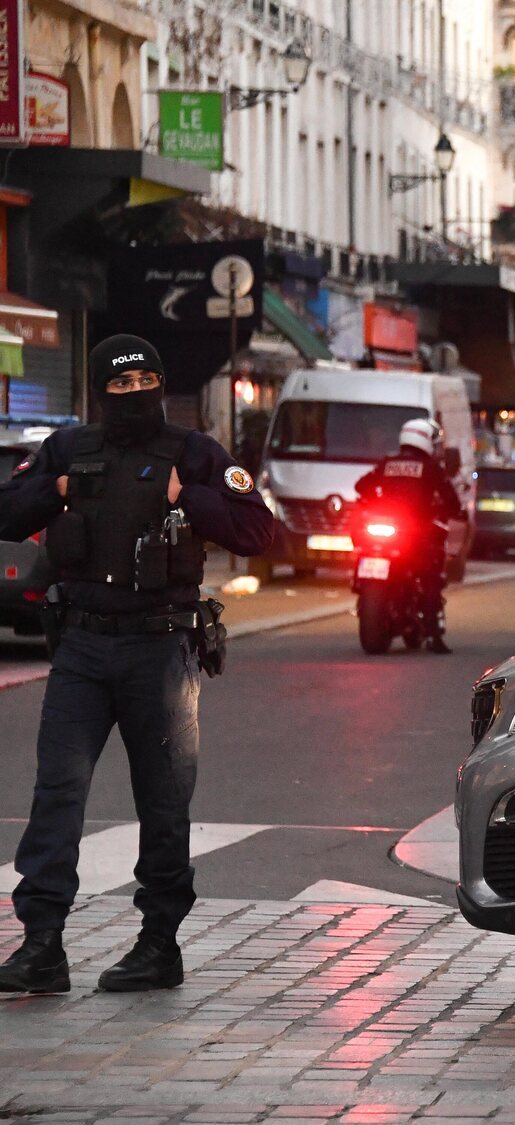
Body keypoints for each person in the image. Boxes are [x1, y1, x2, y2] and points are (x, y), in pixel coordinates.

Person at [0, 333, 275, 995]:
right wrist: (55, 490)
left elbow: (259, 530)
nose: (133, 395)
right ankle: (41, 944)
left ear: (158, 383)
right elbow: (7, 512)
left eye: (144, 381)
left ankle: (159, 943)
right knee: (57, 795)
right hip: (82, 649)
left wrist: (191, 496)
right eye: (119, 386)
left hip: (160, 645)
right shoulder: (70, 449)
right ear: (101, 392)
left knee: (162, 800)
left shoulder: (193, 452)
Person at [354, 417, 461, 654]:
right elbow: (451, 502)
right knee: (430, 578)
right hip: (413, 535)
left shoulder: (388, 463)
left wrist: (375, 500)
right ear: (426, 442)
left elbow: (361, 486)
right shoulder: (431, 468)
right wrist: (445, 511)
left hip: (386, 531)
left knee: (365, 548)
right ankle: (434, 636)